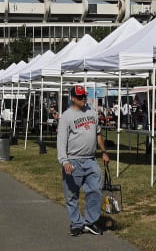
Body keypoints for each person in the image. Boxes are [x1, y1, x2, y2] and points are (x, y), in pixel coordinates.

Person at [57, 85, 109, 237]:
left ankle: (90, 222)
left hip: (91, 160)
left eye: (85, 96)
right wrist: (64, 161)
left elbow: (98, 134)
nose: (83, 99)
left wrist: (104, 152)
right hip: (73, 160)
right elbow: (61, 141)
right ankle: (76, 223)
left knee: (95, 191)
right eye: (80, 97)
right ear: (73, 98)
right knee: (71, 194)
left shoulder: (92, 113)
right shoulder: (66, 116)